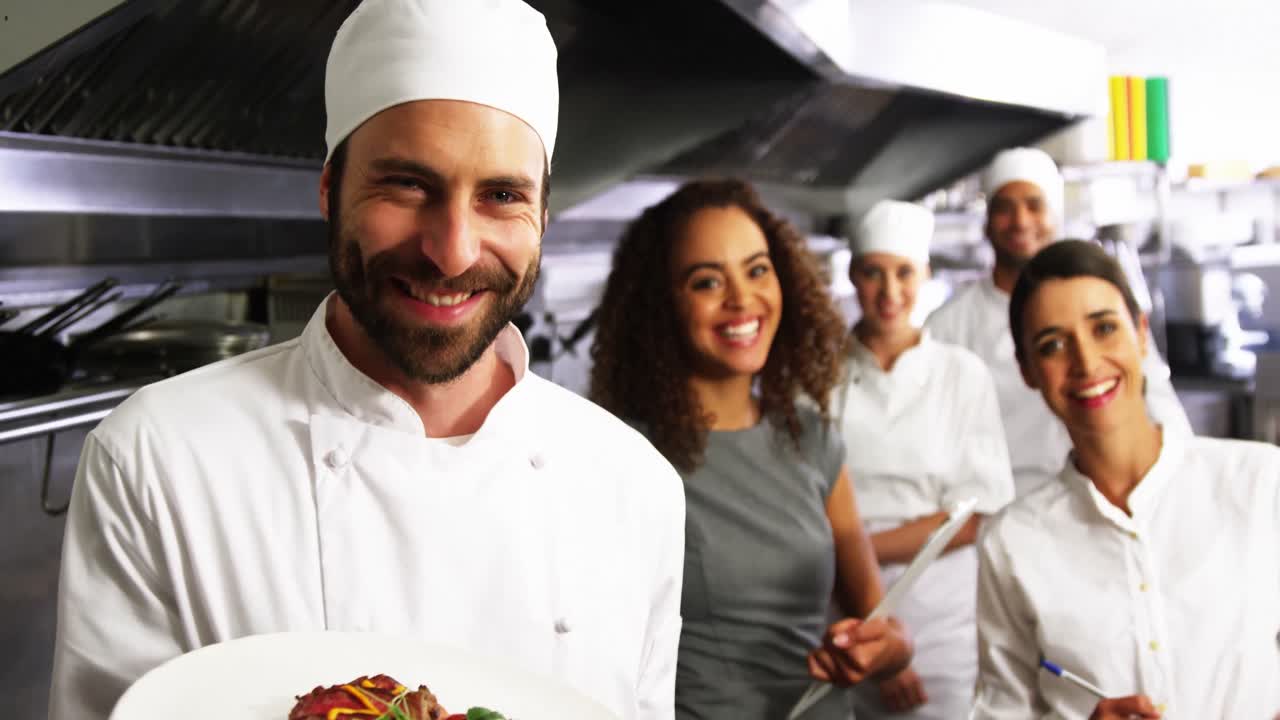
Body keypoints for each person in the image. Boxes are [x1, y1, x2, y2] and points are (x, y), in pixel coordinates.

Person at [48, 2, 685, 718]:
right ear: (330, 190)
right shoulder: (160, 460)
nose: (452, 251)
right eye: (408, 185)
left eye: (502, 195)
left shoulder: (636, 489)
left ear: (540, 216)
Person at [588, 179, 912, 720]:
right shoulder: (628, 454)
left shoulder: (811, 438)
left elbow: (881, 621)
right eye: (707, 281)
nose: (742, 299)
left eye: (757, 269)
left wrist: (890, 651)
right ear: (661, 305)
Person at [972, 240, 1280, 719]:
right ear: (1028, 371)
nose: (1087, 362)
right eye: (1052, 344)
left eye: (1104, 328)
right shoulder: (1012, 543)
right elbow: (1003, 712)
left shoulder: (1259, 484)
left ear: (1140, 333)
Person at [835, 201, 1014, 719]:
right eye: (873, 273)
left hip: (941, 625)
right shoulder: (818, 377)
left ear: (926, 275)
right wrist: (870, 628)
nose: (890, 293)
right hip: (843, 625)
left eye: (904, 273)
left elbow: (971, 517)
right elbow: (810, 508)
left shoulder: (962, 374)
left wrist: (853, 549)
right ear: (852, 275)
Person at [926, 148, 1190, 497]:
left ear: (1055, 215)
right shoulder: (948, 325)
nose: (1020, 221)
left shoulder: (1103, 301)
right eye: (1005, 208)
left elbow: (1156, 397)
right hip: (1004, 509)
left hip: (1110, 494)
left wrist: (1184, 480)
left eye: (1034, 205)